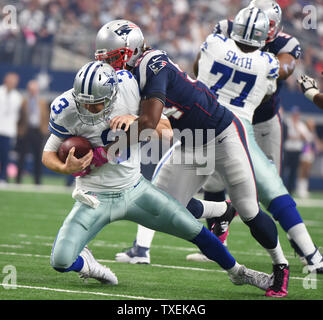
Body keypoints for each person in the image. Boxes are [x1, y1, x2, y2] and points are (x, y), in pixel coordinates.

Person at [95, 16, 291, 297]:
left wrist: (108, 153)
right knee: (163, 208)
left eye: (114, 58)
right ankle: (222, 210)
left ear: (133, 50)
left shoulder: (153, 62)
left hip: (223, 133)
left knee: (249, 209)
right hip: (191, 140)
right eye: (104, 58)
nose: (108, 65)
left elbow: (149, 121)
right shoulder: (125, 75)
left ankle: (280, 265)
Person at [42, 61, 272, 292]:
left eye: (96, 105)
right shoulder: (66, 107)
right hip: (94, 197)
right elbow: (48, 153)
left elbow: (167, 129)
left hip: (135, 190)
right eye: (84, 102)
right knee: (60, 261)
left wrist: (136, 120)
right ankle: (91, 266)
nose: (88, 110)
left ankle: (238, 272)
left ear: (112, 95)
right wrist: (65, 168)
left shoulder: (129, 90)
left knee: (193, 229)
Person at [185, 0, 323, 274]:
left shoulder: (216, 41)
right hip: (240, 125)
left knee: (174, 189)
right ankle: (309, 254)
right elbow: (278, 75)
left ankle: (147, 245)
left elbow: (198, 69)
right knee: (266, 187)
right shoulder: (267, 62)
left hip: (239, 123)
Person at [16, 80, 49, 185]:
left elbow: (47, 117)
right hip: (26, 131)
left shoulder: (42, 102)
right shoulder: (23, 101)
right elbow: (19, 117)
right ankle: (18, 180)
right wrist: (19, 130)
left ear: (37, 90)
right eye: (31, 90)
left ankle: (37, 181)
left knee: (38, 157)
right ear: (28, 90)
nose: (33, 92)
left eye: (35, 90)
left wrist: (45, 130)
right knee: (21, 157)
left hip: (38, 132)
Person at [0, 72, 23, 184]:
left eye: (15, 81)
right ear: (6, 80)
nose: (13, 83)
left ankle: (3, 178)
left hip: (9, 131)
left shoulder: (17, 97)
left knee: (5, 156)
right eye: (11, 80)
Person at [283, 106, 309, 194]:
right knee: (283, 170)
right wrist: (296, 136)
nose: (295, 116)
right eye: (294, 114)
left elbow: (305, 137)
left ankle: (290, 190)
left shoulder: (301, 125)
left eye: (297, 115)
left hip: (296, 151)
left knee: (293, 171)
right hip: (288, 150)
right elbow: (286, 135)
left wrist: (296, 128)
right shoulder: (287, 123)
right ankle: (282, 189)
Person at [296, 118, 319, 199]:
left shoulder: (313, 133)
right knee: (303, 171)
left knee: (307, 172)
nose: (312, 125)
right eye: (311, 124)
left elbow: (315, 143)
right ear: (308, 125)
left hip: (311, 154)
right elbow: (304, 140)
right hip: (304, 153)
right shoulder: (305, 131)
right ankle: (300, 190)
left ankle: (304, 189)